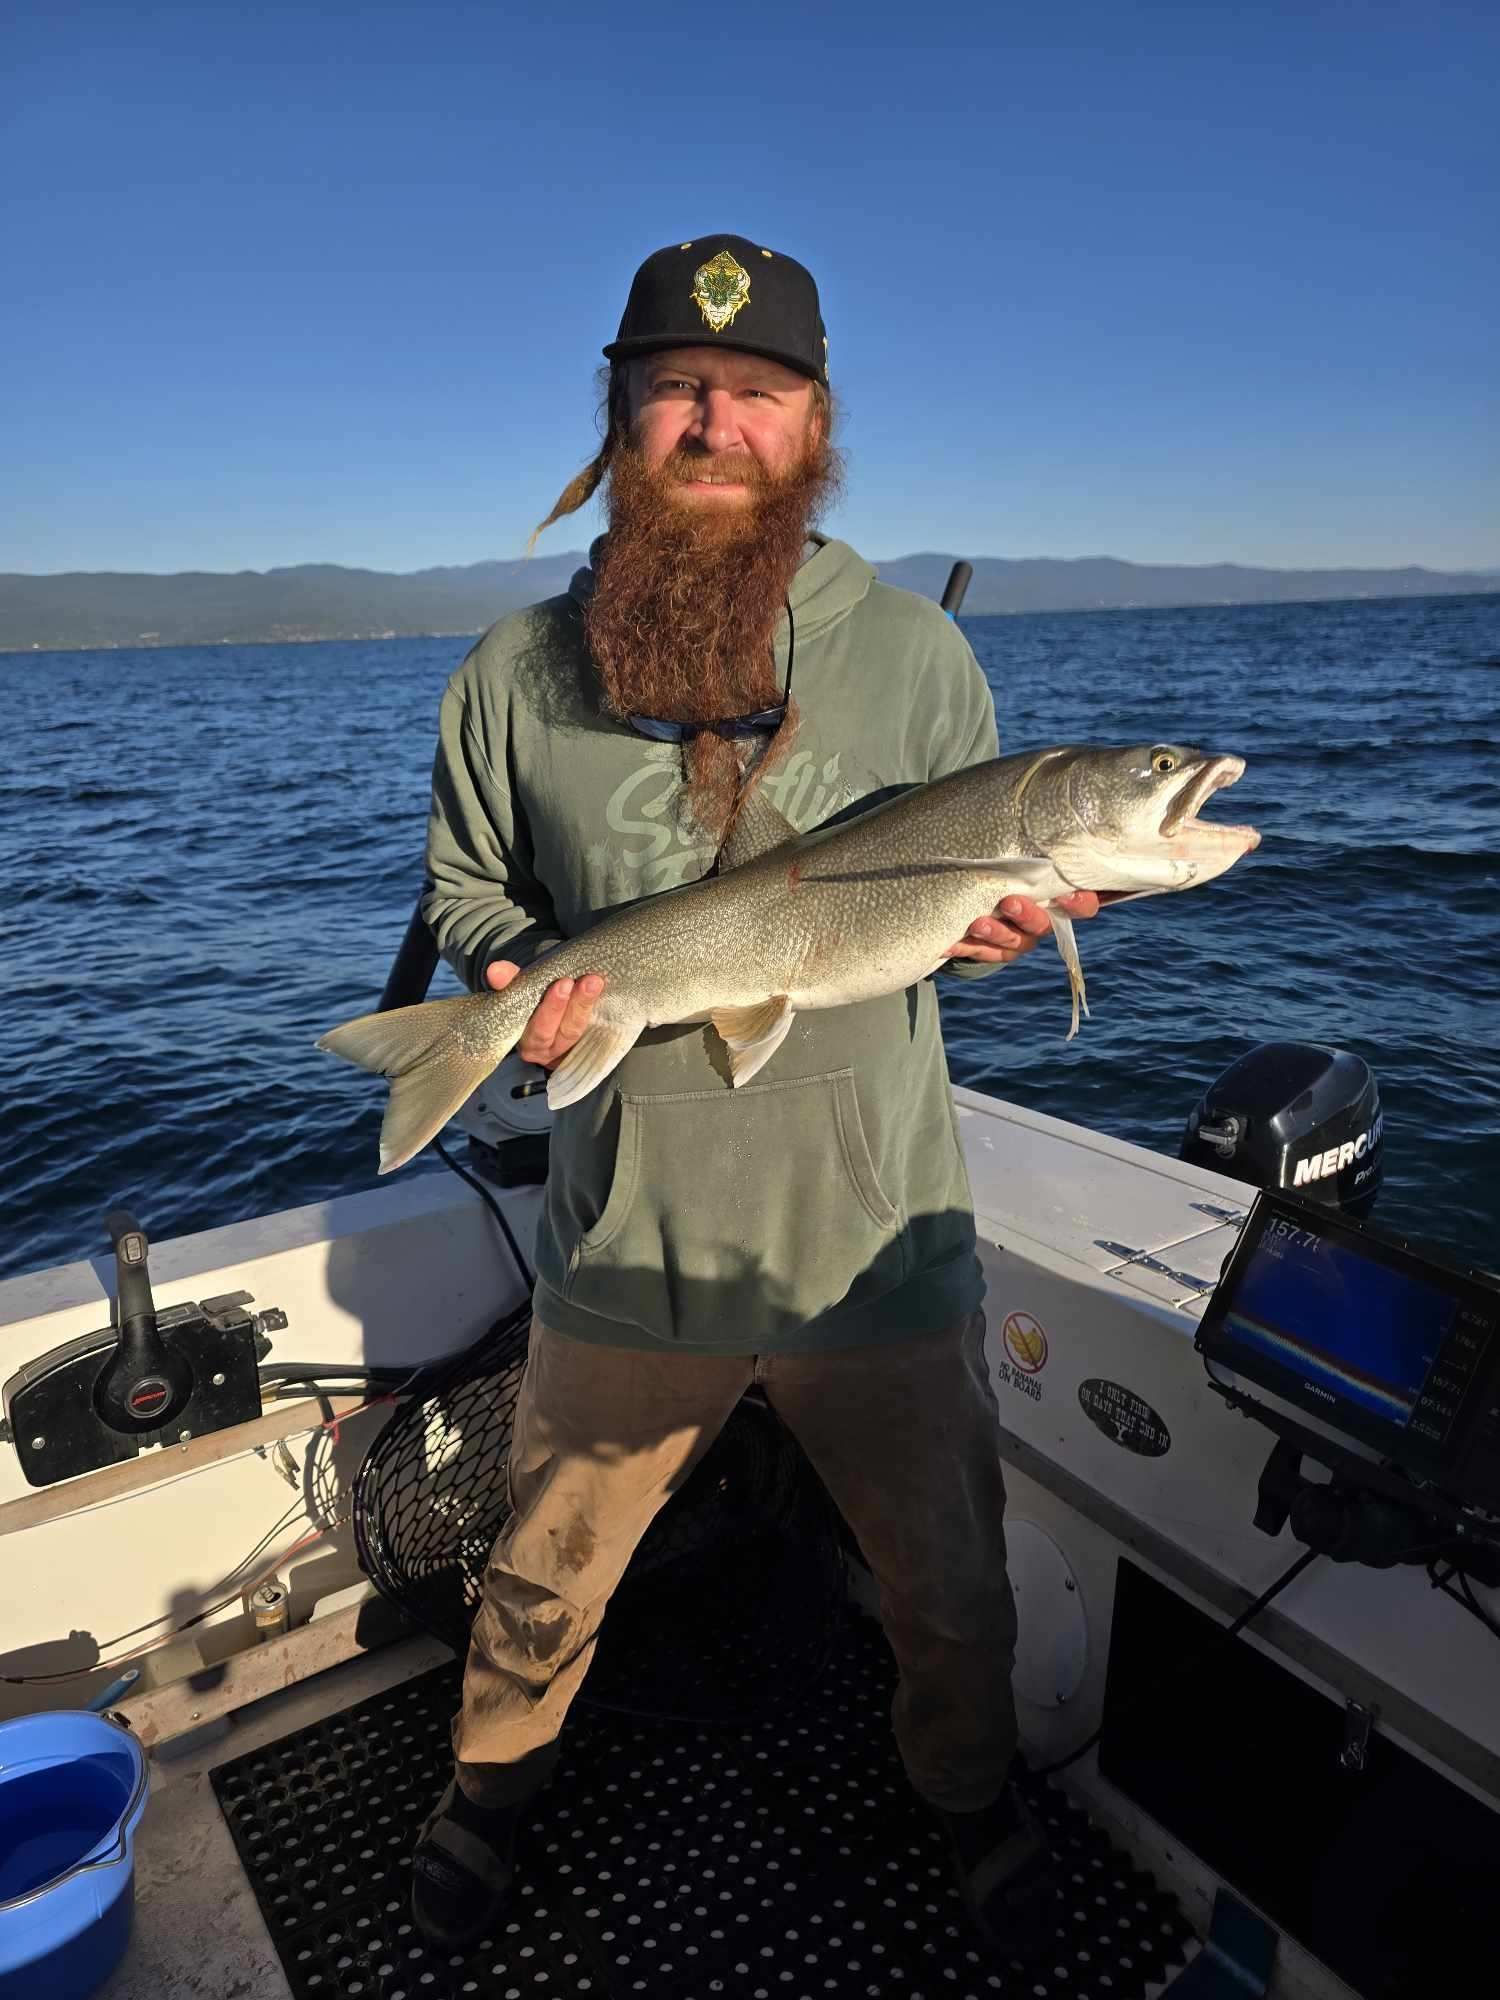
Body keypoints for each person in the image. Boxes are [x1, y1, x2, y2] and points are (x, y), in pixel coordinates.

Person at [409, 235, 1098, 1962]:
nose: (718, 426)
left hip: (878, 1241)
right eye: (677, 392)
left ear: (818, 427)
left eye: (761, 397)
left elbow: (958, 897)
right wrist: (518, 983)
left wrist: (997, 936)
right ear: (622, 417)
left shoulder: (920, 659)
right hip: (623, 1238)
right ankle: (487, 1787)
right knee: (546, 1572)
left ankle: (968, 1793)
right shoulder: (512, 669)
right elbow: (474, 893)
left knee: (954, 1591)